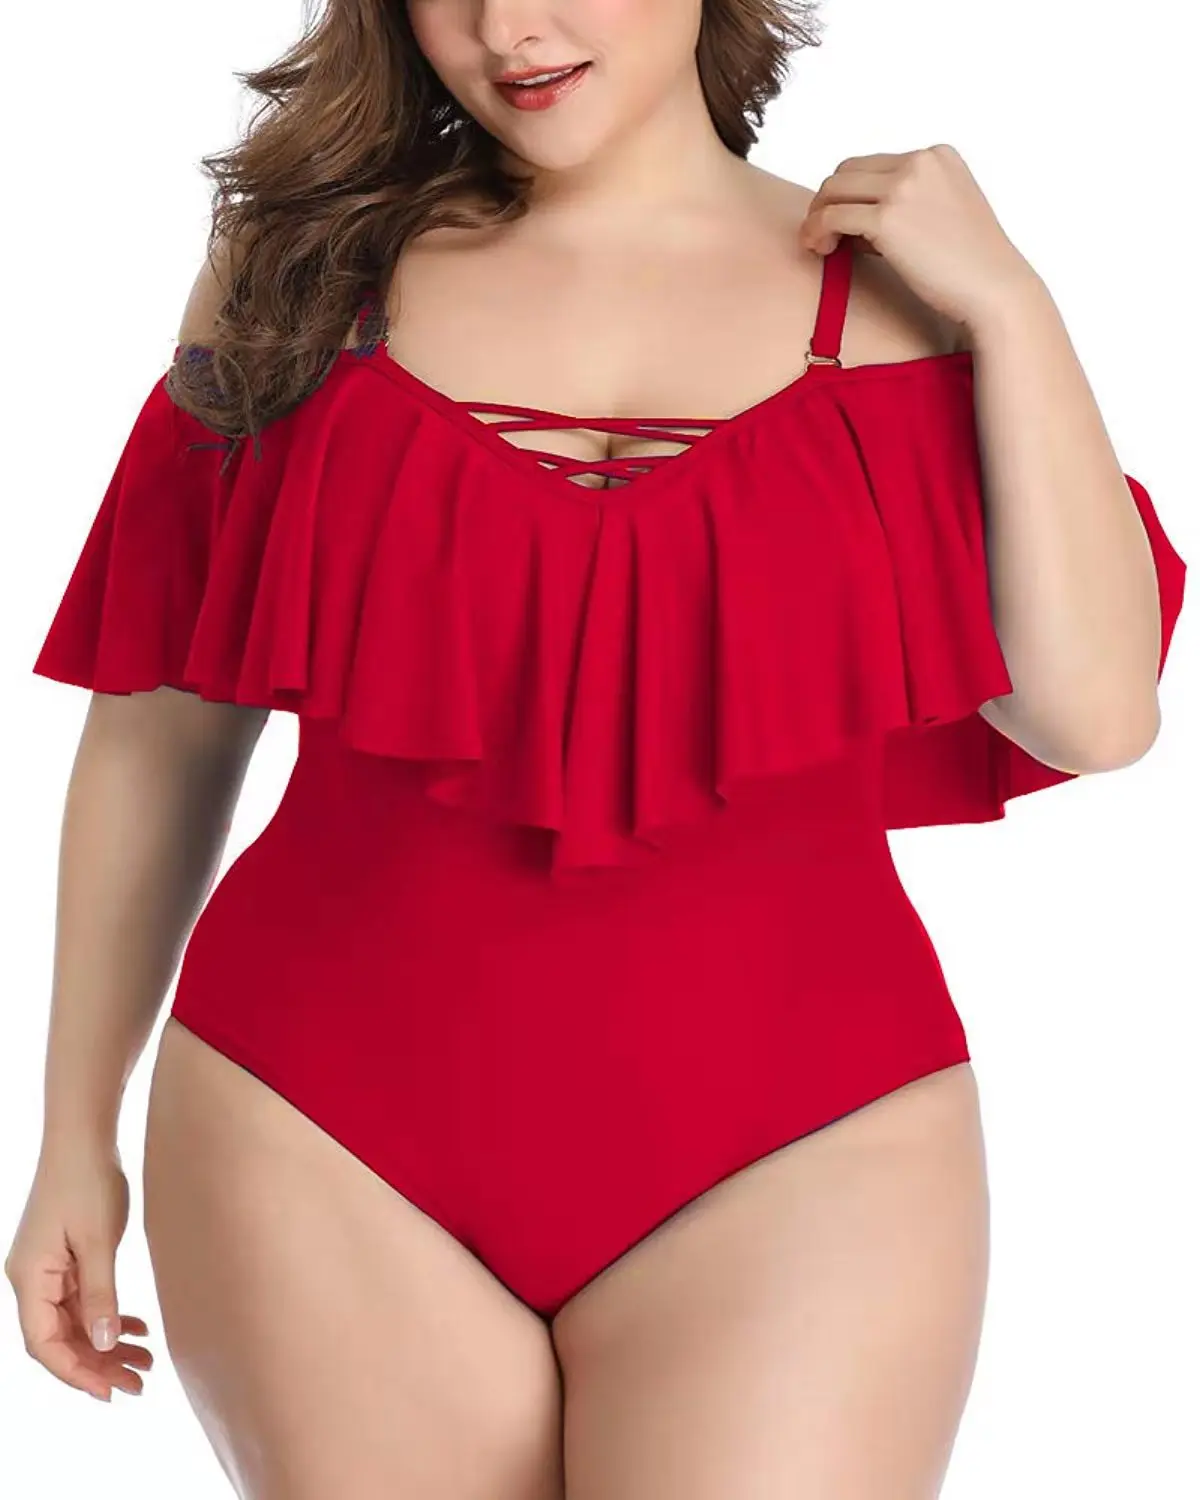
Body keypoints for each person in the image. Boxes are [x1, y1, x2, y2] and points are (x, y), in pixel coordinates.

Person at [6, 2, 1187, 1497]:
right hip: (310, 1123)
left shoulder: (915, 296)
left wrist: (1013, 306)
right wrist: (70, 1131)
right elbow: (158, 727)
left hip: (807, 1145)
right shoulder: (298, 271)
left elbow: (1094, 716)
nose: (509, 28)